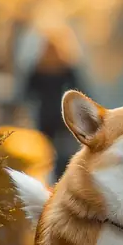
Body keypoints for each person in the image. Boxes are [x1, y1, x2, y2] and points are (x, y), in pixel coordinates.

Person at [23, 40, 83, 180]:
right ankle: (56, 177)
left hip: (48, 114)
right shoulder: (65, 69)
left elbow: (27, 94)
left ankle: (49, 176)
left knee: (49, 149)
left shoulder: (39, 68)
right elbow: (79, 91)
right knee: (58, 150)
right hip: (59, 114)